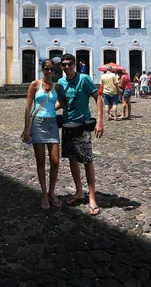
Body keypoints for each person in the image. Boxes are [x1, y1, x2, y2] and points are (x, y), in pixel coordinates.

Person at [57, 54, 104, 216]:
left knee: (87, 161)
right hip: (67, 125)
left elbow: (98, 98)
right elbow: (62, 103)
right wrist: (44, 109)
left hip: (83, 127)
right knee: (72, 159)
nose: (67, 67)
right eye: (63, 65)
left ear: (74, 65)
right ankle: (79, 191)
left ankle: (92, 197)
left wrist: (99, 121)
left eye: (69, 64)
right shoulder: (61, 83)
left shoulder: (84, 79)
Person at [22, 59, 63, 209]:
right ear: (42, 70)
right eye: (47, 69)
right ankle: (44, 194)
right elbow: (27, 107)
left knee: (55, 161)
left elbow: (62, 103)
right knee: (40, 162)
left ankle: (51, 192)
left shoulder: (56, 87)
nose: (49, 72)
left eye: (52, 69)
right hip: (37, 123)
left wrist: (51, 107)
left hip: (52, 124)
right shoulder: (35, 85)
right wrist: (27, 128)